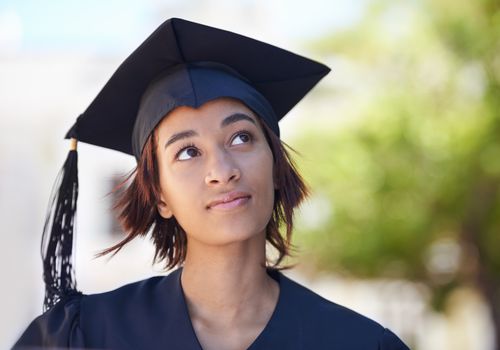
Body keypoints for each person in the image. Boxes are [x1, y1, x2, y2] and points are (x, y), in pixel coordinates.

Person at [13, 18, 410, 350]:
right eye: (187, 152)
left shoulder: (357, 343)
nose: (221, 170)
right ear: (160, 196)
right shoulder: (85, 337)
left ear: (275, 167)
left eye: (241, 138)